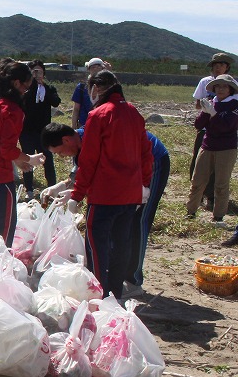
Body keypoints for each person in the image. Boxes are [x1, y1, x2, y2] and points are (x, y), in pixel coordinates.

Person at [54, 70, 151, 300]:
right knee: (121, 243)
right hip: (130, 193)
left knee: (96, 246)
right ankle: (116, 292)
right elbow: (146, 153)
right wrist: (144, 185)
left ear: (96, 89)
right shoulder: (133, 112)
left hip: (105, 194)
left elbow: (89, 160)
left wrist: (77, 195)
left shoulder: (98, 115)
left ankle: (99, 292)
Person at [42, 122, 169, 297]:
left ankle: (133, 281)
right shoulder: (77, 142)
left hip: (151, 161)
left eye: (59, 152)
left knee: (137, 221)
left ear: (66, 140)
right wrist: (63, 187)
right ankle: (114, 275)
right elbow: (85, 173)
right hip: (127, 169)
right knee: (120, 224)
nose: (62, 156)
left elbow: (103, 175)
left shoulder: (93, 140)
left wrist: (77, 193)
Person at [0, 61, 45, 246]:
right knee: (1, 236)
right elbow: (7, 150)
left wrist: (18, 160)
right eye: (26, 86)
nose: (26, 91)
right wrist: (29, 159)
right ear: (16, 83)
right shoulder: (12, 110)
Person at [186, 74, 238, 225]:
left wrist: (213, 114)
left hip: (226, 148)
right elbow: (198, 125)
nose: (221, 89)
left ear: (230, 89)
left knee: (221, 183)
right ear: (214, 89)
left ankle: (218, 216)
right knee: (197, 180)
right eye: (218, 86)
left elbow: (227, 126)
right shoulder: (210, 102)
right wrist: (205, 112)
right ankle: (191, 211)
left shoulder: (234, 105)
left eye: (224, 86)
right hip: (207, 145)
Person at [190, 53, 233, 208]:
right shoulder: (205, 82)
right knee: (198, 161)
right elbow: (196, 105)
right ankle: (196, 197)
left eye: (221, 65)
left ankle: (212, 198)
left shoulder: (233, 84)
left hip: (224, 132)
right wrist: (205, 107)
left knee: (219, 166)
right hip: (206, 129)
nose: (217, 67)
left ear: (227, 67)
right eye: (215, 65)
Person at [19, 60, 61, 199]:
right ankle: (29, 190)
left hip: (44, 132)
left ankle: (52, 189)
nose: (37, 75)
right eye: (34, 72)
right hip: (27, 131)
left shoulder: (49, 89)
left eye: (40, 72)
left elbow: (55, 101)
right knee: (27, 159)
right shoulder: (25, 90)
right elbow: (24, 101)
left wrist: (44, 87)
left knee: (48, 160)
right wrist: (32, 85)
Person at [70, 57, 107, 130]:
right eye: (93, 67)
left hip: (102, 124)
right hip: (84, 124)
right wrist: (74, 126)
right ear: (89, 70)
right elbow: (76, 108)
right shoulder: (81, 87)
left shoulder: (107, 86)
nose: (96, 69)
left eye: (98, 67)